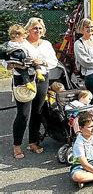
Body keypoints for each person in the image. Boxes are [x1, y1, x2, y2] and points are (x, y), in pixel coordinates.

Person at [11, 17, 58, 159]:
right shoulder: (20, 42)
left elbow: (53, 61)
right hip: (23, 80)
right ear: (28, 30)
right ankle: (17, 146)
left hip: (42, 78)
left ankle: (33, 142)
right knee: (23, 114)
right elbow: (6, 59)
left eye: (40, 28)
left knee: (37, 112)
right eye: (34, 28)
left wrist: (42, 61)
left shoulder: (47, 44)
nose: (37, 30)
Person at [5, 24, 43, 92]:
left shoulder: (12, 44)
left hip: (27, 66)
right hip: (20, 71)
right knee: (24, 71)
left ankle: (38, 75)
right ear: (17, 36)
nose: (23, 39)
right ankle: (32, 79)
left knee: (28, 68)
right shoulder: (17, 44)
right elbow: (7, 62)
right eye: (22, 37)